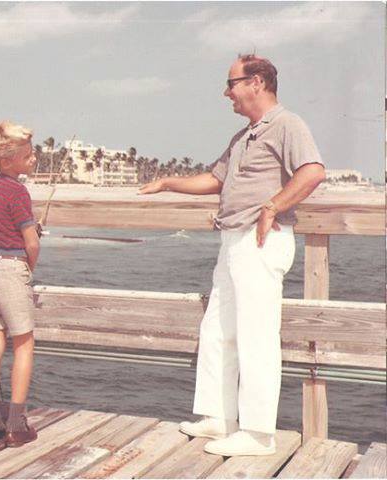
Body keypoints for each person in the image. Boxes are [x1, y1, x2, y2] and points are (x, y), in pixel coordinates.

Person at [139, 54, 325, 456]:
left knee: (256, 336)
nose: (227, 92)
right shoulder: (244, 136)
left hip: (261, 241)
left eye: (232, 83)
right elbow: (215, 179)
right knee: (218, 329)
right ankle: (219, 416)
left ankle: (259, 434)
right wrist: (168, 182)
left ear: (257, 82)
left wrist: (272, 206)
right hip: (232, 241)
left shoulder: (287, 124)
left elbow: (312, 171)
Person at [0, 121, 40, 447]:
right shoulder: (18, 191)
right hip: (12, 269)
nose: (33, 159)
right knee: (24, 345)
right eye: (27, 156)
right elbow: (31, 242)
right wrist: (29, 268)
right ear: (7, 161)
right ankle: (16, 424)